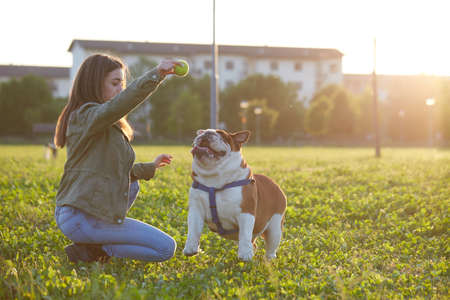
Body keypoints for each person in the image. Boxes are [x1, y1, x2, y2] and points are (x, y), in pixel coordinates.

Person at [53, 53, 180, 263]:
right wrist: (156, 74)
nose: (120, 89)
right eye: (115, 83)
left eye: (122, 84)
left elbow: (118, 174)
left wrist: (151, 167)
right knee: (165, 248)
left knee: (133, 185)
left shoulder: (104, 124)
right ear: (94, 84)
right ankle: (96, 250)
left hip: (86, 218)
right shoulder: (84, 116)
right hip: (79, 217)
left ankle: (92, 247)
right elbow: (119, 105)